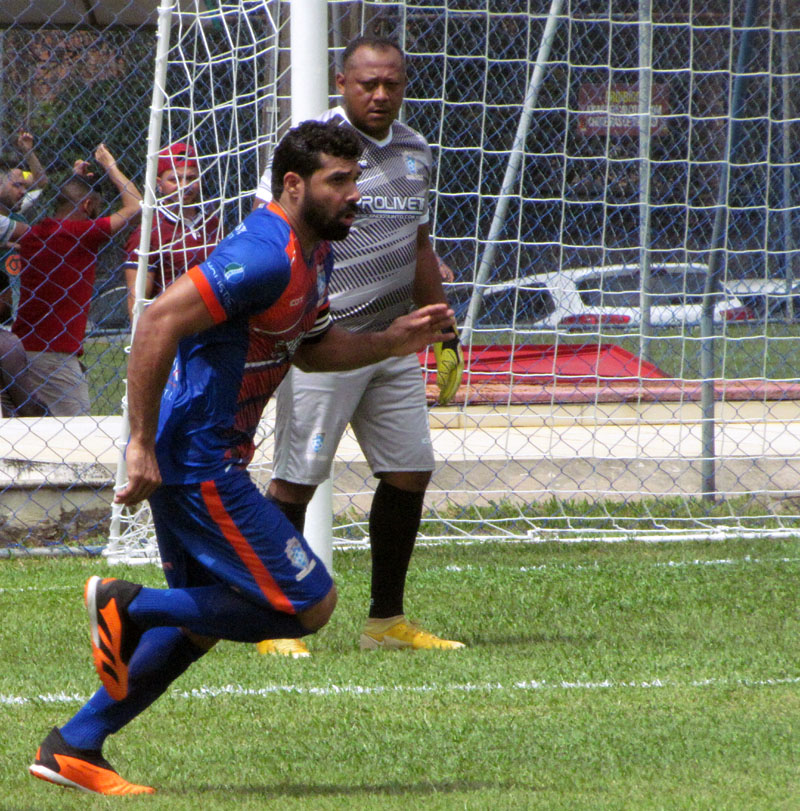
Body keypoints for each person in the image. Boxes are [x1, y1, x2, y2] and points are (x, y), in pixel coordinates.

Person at [28, 120, 456, 796]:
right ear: (293, 184)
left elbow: (311, 347)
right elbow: (158, 320)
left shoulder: (318, 255)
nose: (354, 196)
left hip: (206, 455)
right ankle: (128, 605)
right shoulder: (263, 252)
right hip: (197, 461)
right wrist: (138, 445)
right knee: (309, 603)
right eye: (338, 182)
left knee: (204, 621)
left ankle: (73, 744)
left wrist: (392, 340)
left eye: (357, 181)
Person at [253, 35, 465, 657]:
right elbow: (283, 237)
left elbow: (419, 245)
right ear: (341, 82)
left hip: (395, 341)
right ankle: (276, 621)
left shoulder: (416, 151)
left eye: (391, 83)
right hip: (328, 340)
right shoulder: (314, 147)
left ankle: (385, 622)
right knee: (296, 481)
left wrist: (443, 331)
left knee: (410, 471)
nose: (380, 94)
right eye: (367, 83)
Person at [10, 144, 142, 416]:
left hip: (23, 348)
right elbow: (136, 205)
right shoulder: (82, 233)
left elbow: (66, 201)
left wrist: (75, 178)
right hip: (53, 355)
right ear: (87, 205)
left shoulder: (36, 232)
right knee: (77, 428)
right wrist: (110, 165)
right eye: (97, 207)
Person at [123, 141, 220, 321]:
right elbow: (137, 300)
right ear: (159, 184)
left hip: (213, 323)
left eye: (191, 178)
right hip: (173, 327)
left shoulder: (212, 223)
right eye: (174, 180)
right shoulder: (148, 232)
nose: (185, 186)